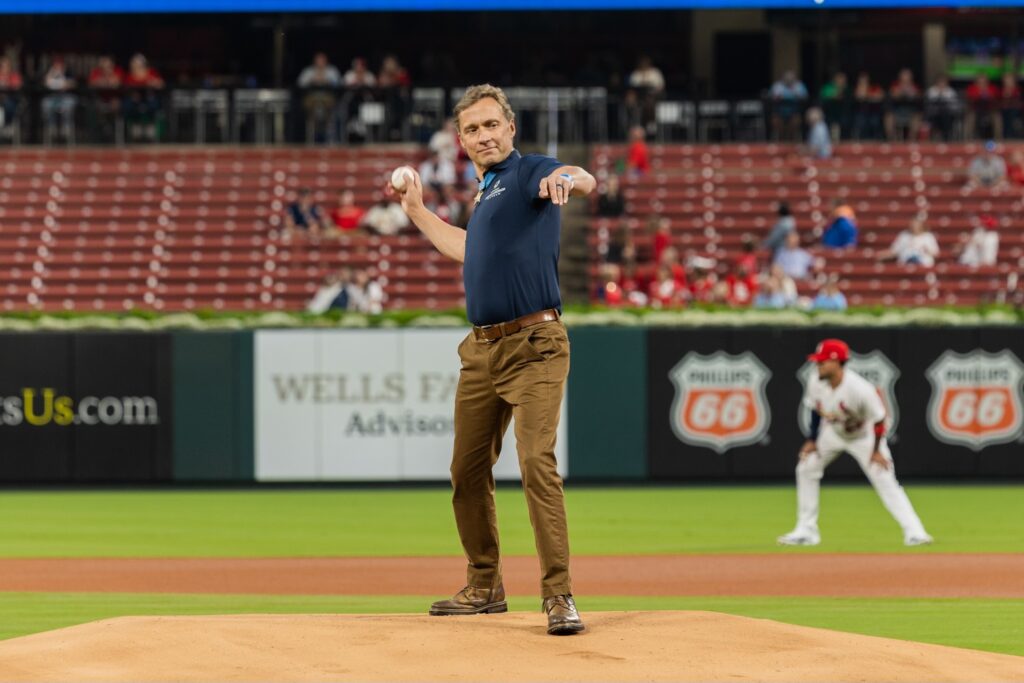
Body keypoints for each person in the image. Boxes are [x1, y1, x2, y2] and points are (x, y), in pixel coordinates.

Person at [389, 83, 595, 635]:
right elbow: (465, 248)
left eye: (491, 125)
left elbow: (581, 177)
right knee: (466, 470)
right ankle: (484, 585)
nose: (483, 135)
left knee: (535, 463)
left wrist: (566, 178)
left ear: (510, 128)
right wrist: (416, 211)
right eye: (472, 129)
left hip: (534, 346)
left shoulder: (528, 174)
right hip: (481, 350)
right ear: (461, 141)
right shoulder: (486, 194)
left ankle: (558, 595)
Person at [778, 339, 932, 547]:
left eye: (823, 362)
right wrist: (812, 440)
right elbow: (815, 409)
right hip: (833, 433)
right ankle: (806, 531)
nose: (818, 365)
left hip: (865, 437)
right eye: (818, 361)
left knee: (885, 479)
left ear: (837, 362)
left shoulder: (860, 389)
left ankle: (915, 532)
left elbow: (879, 420)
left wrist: (876, 451)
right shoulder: (816, 381)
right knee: (806, 467)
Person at [298, 52, 342, 139]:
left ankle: (329, 136)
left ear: (326, 61)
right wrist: (311, 80)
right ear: (314, 61)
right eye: (318, 60)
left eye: (322, 60)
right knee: (308, 106)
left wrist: (327, 81)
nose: (320, 62)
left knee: (330, 107)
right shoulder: (308, 71)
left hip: (328, 99)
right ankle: (310, 136)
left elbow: (339, 83)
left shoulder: (332, 71)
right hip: (312, 99)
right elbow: (300, 84)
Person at [122, 54, 164, 141]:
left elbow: (161, 84)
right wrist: (132, 94)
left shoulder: (151, 72)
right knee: (127, 105)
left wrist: (154, 83)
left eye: (138, 65)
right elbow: (125, 88)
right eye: (133, 65)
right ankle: (132, 133)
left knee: (154, 104)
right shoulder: (129, 76)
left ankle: (151, 132)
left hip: (149, 99)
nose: (135, 67)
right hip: (134, 101)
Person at [40, 56, 76, 140]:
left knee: (69, 104)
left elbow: (73, 83)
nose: (58, 67)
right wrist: (52, 73)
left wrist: (66, 82)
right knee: (45, 104)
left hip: (66, 97)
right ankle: (51, 127)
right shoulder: (50, 72)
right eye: (56, 65)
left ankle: (66, 127)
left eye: (60, 65)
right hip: (52, 98)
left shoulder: (68, 72)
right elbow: (45, 83)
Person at [770, 70, 809, 141]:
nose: (789, 79)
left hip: (795, 112)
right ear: (783, 78)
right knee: (778, 126)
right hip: (779, 113)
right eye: (787, 78)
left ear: (795, 78)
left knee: (794, 126)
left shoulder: (799, 85)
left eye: (791, 78)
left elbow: (805, 98)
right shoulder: (777, 85)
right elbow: (772, 98)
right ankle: (781, 144)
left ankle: (792, 144)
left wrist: (797, 96)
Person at [885, 68, 922, 141]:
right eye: (903, 78)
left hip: (910, 112)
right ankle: (893, 140)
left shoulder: (914, 87)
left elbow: (919, 98)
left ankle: (911, 141)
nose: (905, 80)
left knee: (917, 116)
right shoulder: (895, 86)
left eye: (907, 78)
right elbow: (891, 97)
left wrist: (913, 94)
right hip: (897, 112)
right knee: (888, 117)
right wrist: (899, 93)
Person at [925, 76, 959, 141]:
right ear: (936, 83)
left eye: (943, 82)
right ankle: (933, 137)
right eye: (940, 82)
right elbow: (927, 105)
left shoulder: (951, 91)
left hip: (948, 115)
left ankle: (946, 137)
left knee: (946, 116)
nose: (941, 84)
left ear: (946, 83)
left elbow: (955, 106)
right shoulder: (931, 91)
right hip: (933, 115)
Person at [965, 74, 999, 140]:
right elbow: (970, 99)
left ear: (987, 82)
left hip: (990, 110)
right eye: (980, 82)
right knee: (970, 118)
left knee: (997, 118)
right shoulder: (971, 88)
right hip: (975, 110)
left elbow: (996, 99)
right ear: (976, 82)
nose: (982, 83)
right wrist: (979, 93)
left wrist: (987, 94)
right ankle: (968, 140)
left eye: (984, 82)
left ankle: (998, 139)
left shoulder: (992, 88)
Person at [0, 56, 23, 130]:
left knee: (8, 105)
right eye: (3, 66)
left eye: (7, 66)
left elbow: (17, 86)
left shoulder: (15, 75)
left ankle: (7, 125)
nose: (5, 68)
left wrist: (8, 82)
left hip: (11, 101)